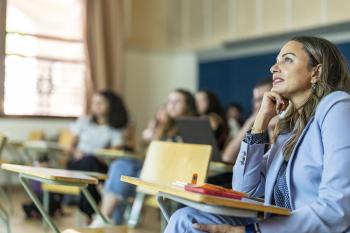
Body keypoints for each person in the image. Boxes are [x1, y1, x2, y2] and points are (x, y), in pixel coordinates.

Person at [164, 36, 350, 233]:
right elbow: (245, 190)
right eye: (276, 60)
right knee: (186, 219)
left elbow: (338, 209)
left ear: (316, 71)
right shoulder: (289, 129)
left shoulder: (337, 106)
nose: (274, 68)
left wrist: (251, 231)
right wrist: (260, 121)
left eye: (287, 59)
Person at [90, 88, 198, 226]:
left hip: (174, 175)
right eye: (169, 101)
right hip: (155, 169)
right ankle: (107, 221)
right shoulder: (165, 127)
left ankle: (105, 219)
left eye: (177, 101)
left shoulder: (194, 126)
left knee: (123, 169)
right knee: (120, 167)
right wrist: (154, 131)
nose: (171, 105)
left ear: (188, 105)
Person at [66, 90, 129, 220]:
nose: (96, 106)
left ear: (111, 105)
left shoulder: (115, 128)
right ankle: (100, 200)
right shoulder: (84, 121)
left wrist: (105, 154)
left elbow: (117, 148)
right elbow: (70, 146)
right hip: (78, 162)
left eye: (100, 103)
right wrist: (76, 152)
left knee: (91, 167)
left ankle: (90, 214)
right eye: (94, 103)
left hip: (99, 163)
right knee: (89, 164)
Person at [221, 79, 272, 164]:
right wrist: (250, 121)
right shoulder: (255, 125)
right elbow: (228, 158)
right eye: (255, 100)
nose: (258, 105)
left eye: (263, 99)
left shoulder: (281, 124)